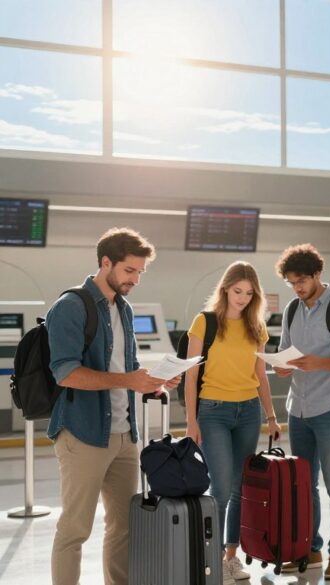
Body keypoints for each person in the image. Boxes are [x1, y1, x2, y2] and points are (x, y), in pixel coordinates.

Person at [47, 228, 178, 585]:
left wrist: (156, 381)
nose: (135, 279)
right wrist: (128, 381)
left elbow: (126, 369)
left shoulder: (124, 308)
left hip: (124, 436)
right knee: (75, 529)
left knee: (124, 528)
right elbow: (66, 373)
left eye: (139, 273)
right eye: (129, 271)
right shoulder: (70, 307)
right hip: (83, 434)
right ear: (106, 263)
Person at [183, 261, 281, 583]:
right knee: (221, 487)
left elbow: (260, 376)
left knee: (240, 487)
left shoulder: (257, 327)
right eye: (238, 291)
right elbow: (191, 374)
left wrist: (271, 415)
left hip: (248, 411)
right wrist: (190, 422)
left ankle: (230, 557)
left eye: (249, 293)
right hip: (213, 412)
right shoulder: (205, 322)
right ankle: (209, 557)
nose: (242, 298)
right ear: (225, 288)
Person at [273, 244, 330, 580]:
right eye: (291, 283)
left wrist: (320, 363)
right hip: (297, 409)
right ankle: (309, 548)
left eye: (301, 280)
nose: (297, 288)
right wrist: (281, 366)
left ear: (317, 275)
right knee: (304, 485)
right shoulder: (291, 310)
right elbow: (285, 353)